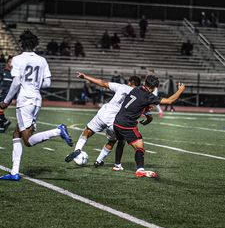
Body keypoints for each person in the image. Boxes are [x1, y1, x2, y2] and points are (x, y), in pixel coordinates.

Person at [0, 30, 73, 181]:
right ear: (35, 44)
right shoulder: (42, 60)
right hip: (37, 100)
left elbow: (16, 82)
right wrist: (34, 83)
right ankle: (14, 172)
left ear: (21, 43)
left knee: (27, 140)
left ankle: (57, 131)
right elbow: (47, 83)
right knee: (16, 134)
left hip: (25, 100)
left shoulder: (17, 59)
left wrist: (6, 101)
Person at [113, 75, 185, 177]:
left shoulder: (136, 89)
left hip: (117, 121)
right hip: (127, 125)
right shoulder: (148, 96)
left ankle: (117, 165)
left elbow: (142, 106)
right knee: (140, 146)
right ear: (155, 87)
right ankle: (140, 170)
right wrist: (180, 90)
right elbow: (169, 101)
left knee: (121, 141)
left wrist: (148, 119)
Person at [64, 73, 141, 167]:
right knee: (112, 140)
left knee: (87, 131)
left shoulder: (122, 86)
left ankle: (78, 149)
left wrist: (85, 76)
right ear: (138, 85)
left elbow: (102, 83)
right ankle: (99, 161)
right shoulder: (138, 94)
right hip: (116, 120)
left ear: (130, 82)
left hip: (104, 113)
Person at [0, 56, 13, 133]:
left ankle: (2, 126)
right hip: (1, 94)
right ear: (7, 62)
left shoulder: (15, 74)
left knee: (0, 108)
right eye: (10, 62)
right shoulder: (2, 71)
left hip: (8, 96)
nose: (11, 64)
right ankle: (5, 122)